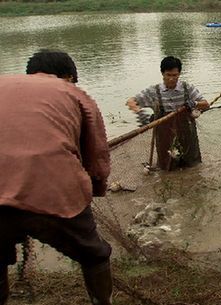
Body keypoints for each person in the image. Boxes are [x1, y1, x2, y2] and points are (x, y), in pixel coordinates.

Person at [0, 50, 112, 304]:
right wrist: (95, 188)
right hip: (52, 183)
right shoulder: (72, 92)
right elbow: (97, 155)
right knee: (95, 255)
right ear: (69, 77)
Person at [126, 56, 209, 170]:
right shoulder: (154, 91)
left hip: (186, 133)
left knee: (192, 165)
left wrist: (194, 103)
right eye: (168, 75)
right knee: (167, 167)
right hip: (164, 135)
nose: (171, 79)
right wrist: (139, 112)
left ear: (179, 74)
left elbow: (206, 104)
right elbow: (131, 101)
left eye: (174, 75)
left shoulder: (186, 88)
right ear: (162, 74)